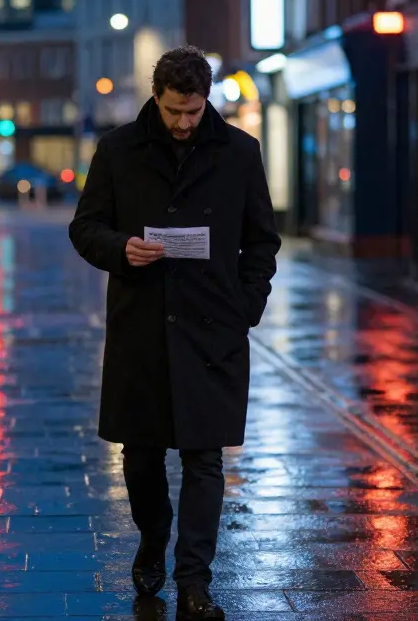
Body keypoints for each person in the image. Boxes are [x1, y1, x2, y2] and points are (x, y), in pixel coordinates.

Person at [68, 46, 280, 620]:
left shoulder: (239, 151)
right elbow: (84, 227)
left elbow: (262, 239)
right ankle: (152, 538)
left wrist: (247, 305)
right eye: (173, 112)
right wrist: (121, 249)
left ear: (205, 98)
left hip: (214, 329)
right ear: (156, 98)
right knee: (140, 457)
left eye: (193, 112)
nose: (184, 124)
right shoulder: (117, 150)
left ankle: (194, 582)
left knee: (204, 459)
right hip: (142, 326)